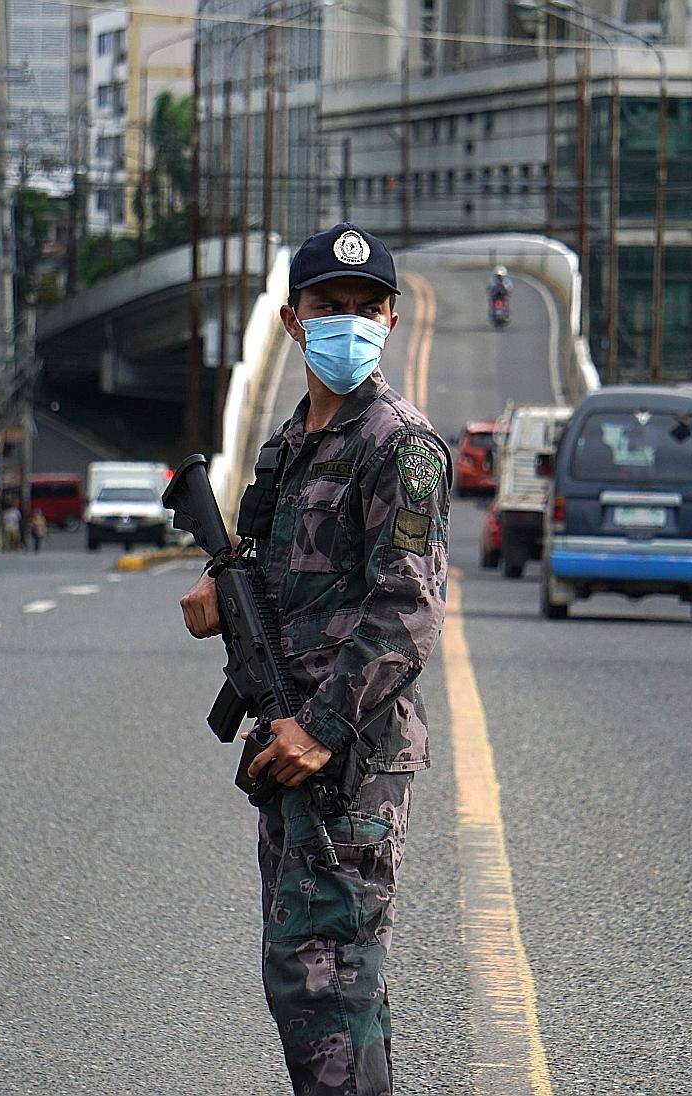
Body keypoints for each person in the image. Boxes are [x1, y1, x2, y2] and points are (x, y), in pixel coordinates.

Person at [179, 222, 450, 1095]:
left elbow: (407, 610)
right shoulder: (288, 446)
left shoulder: (400, 446)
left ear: (392, 320)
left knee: (322, 983)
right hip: (290, 742)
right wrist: (220, 585)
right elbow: (270, 568)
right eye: (330, 306)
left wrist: (321, 730)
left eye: (367, 308)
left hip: (347, 756)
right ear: (292, 320)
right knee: (329, 986)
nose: (350, 323)